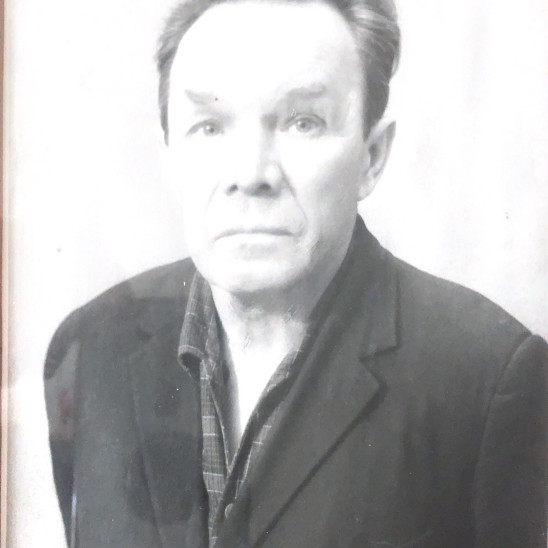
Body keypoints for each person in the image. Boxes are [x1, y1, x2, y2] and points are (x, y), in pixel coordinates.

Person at [44, 0, 548, 546]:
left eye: (303, 123)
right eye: (209, 126)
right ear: (169, 154)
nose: (250, 174)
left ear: (373, 156)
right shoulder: (90, 349)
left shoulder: (489, 380)